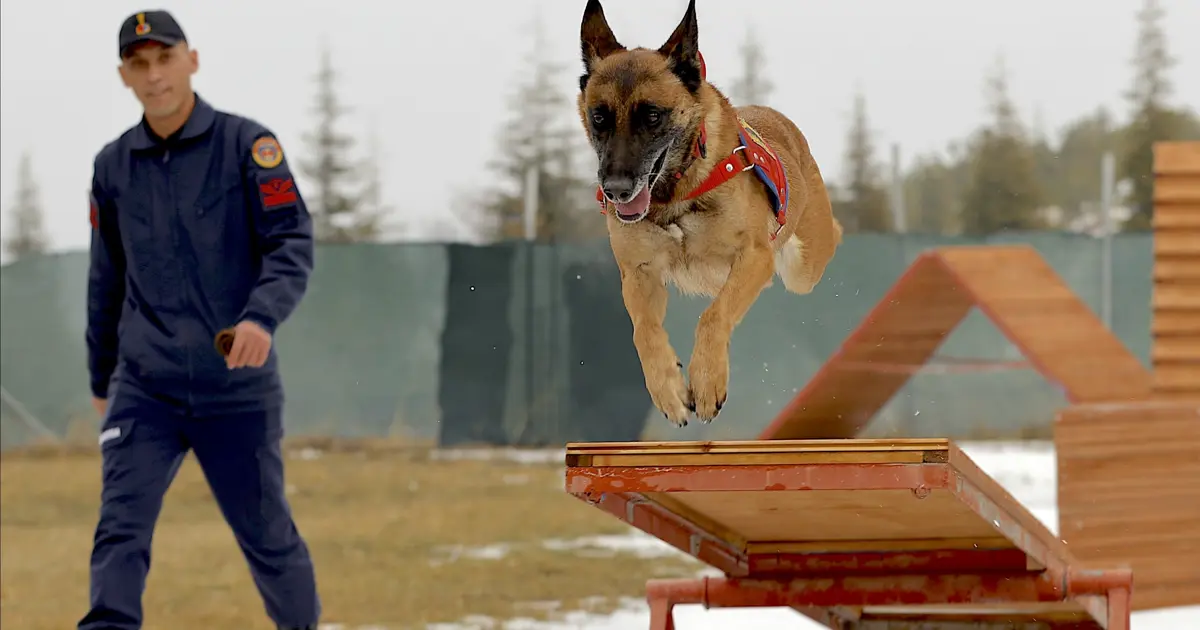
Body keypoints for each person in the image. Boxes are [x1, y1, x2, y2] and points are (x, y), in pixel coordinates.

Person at [81, 10, 321, 630]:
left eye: (166, 59)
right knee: (120, 529)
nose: (155, 76)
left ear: (192, 59)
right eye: (140, 65)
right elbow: (106, 279)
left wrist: (261, 318)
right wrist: (101, 379)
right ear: (124, 76)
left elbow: (291, 240)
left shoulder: (249, 147)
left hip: (235, 386)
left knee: (268, 538)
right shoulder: (112, 167)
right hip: (146, 387)